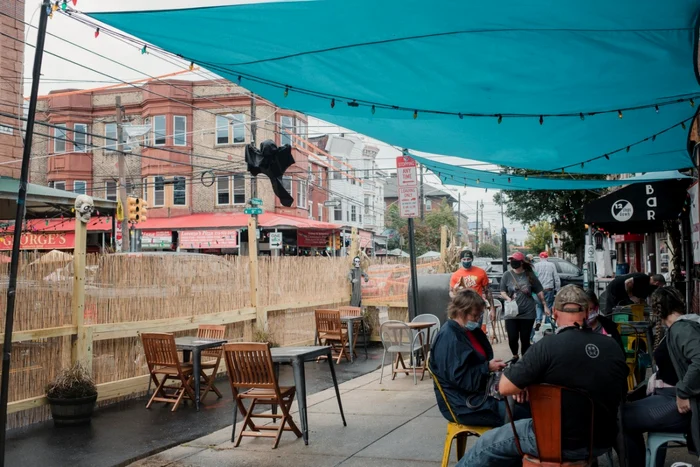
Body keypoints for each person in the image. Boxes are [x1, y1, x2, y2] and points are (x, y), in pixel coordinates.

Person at [459, 285, 629, 467]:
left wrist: (528, 383)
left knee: (487, 443)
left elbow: (505, 387)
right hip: (601, 439)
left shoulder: (547, 346)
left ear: (555, 313)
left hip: (556, 441)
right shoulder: (612, 345)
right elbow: (620, 389)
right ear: (587, 313)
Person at [623, 287, 700, 466]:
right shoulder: (682, 326)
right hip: (670, 397)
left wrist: (683, 392)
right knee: (625, 410)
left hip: (684, 404)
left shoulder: (683, 328)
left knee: (621, 418)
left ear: (657, 310)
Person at [430, 289, 529, 427]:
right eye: (475, 315)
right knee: (521, 414)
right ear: (460, 312)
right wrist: (487, 367)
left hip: (477, 393)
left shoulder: (470, 330)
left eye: (480, 315)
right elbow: (461, 379)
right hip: (462, 404)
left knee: (527, 401)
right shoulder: (449, 338)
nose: (478, 319)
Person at [500, 251, 549, 358]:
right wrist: (508, 298)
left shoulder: (529, 275)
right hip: (511, 312)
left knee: (525, 338)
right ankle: (515, 356)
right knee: (512, 337)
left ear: (522, 262)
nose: (512, 262)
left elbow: (539, 291)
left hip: (527, 312)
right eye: (511, 260)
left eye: (515, 261)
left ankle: (524, 360)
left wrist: (545, 305)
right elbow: (502, 291)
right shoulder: (507, 275)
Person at [449, 249, 496, 321]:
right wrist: (455, 295)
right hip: (463, 308)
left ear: (472, 259)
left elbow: (487, 292)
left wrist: (492, 308)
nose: (466, 261)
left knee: (476, 330)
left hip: (477, 307)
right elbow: (451, 292)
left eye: (468, 259)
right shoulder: (455, 275)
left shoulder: (481, 272)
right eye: (464, 259)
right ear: (461, 260)